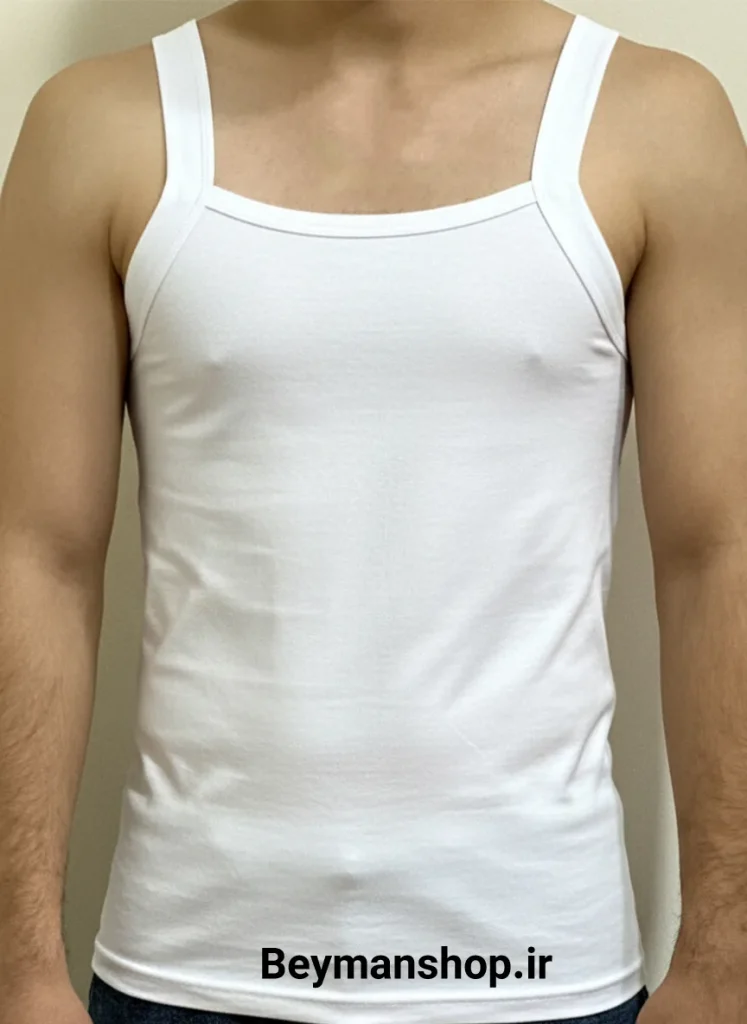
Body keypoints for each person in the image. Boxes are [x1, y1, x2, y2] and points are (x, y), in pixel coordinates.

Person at [1, 0, 746, 1022]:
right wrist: (17, 968)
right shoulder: (97, 127)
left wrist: (727, 957)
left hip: (540, 971)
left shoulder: (655, 120)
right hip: (191, 968)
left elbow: (720, 552)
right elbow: (33, 557)